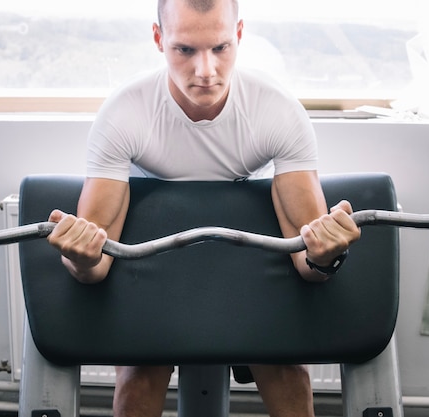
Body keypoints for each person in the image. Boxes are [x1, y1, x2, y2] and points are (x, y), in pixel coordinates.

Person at [47, 0, 361, 415]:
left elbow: (308, 262)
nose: (206, 71)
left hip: (246, 255)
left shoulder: (277, 111)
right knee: (139, 376)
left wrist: (327, 256)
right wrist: (79, 258)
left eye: (220, 48)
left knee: (286, 370)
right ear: (159, 40)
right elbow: (97, 265)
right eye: (185, 50)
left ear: (239, 35)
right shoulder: (125, 114)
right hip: (153, 253)